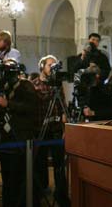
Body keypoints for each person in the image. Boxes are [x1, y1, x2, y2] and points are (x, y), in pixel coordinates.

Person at [0, 59, 38, 207]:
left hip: (21, 139)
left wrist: (8, 104)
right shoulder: (5, 87)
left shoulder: (26, 86)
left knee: (18, 178)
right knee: (7, 179)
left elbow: (31, 107)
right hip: (6, 140)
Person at [32, 55, 70, 207]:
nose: (53, 68)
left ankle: (61, 195)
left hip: (55, 130)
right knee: (39, 164)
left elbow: (62, 107)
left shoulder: (58, 85)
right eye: (50, 65)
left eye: (55, 66)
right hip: (40, 129)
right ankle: (40, 193)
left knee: (59, 166)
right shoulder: (34, 84)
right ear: (42, 67)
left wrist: (65, 122)